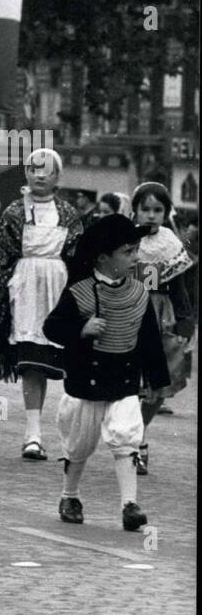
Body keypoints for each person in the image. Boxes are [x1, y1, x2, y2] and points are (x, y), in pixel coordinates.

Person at [42, 214, 169, 531]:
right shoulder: (79, 292)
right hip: (86, 382)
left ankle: (130, 504)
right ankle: (70, 494)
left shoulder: (139, 294)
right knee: (79, 443)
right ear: (103, 257)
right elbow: (52, 327)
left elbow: (150, 340)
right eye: (127, 252)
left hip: (124, 379)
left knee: (126, 437)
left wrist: (156, 380)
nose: (134, 258)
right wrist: (81, 328)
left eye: (135, 250)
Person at [0, 148, 83, 461]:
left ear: (58, 176)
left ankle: (73, 435)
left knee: (65, 364)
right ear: (25, 173)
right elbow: (0, 258)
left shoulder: (69, 214)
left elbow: (78, 258)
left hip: (58, 289)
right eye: (33, 168)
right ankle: (33, 434)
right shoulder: (14, 212)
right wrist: (6, 291)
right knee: (31, 362)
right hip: (26, 291)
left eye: (47, 170)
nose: (40, 175)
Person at [130, 182, 195, 476]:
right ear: (136, 210)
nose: (151, 215)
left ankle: (140, 433)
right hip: (128, 314)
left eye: (158, 210)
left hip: (160, 317)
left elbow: (180, 288)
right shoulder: (126, 240)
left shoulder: (170, 245)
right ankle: (131, 439)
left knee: (158, 385)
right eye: (146, 209)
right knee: (132, 384)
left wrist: (185, 320)